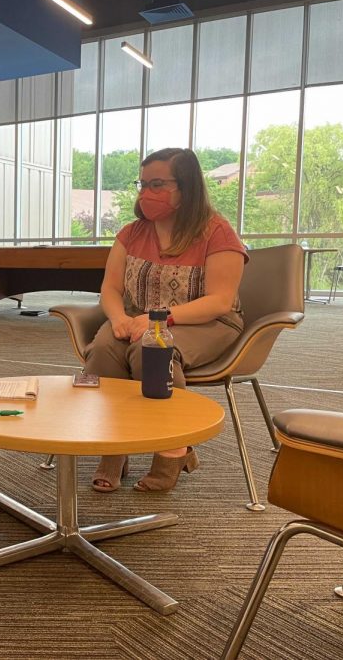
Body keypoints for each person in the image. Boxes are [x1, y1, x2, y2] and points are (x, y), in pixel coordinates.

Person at [85, 147, 247, 493]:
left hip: (205, 322)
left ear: (186, 186)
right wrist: (117, 319)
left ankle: (173, 448)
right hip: (137, 318)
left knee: (153, 351)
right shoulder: (130, 234)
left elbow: (219, 301)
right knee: (101, 351)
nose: (146, 193)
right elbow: (110, 288)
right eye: (142, 184)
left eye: (157, 184)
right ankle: (115, 449)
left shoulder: (217, 232)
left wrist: (158, 320)